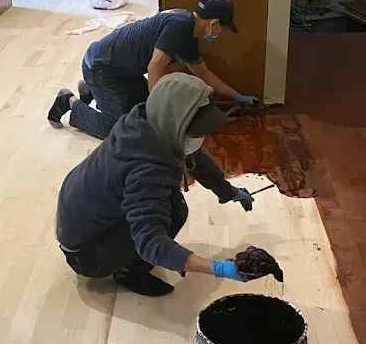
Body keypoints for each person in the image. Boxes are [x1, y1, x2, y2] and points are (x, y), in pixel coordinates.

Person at [55, 72, 264, 297]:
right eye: (195, 132)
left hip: (80, 223)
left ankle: (124, 257)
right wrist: (217, 268)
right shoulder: (146, 170)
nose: (202, 138)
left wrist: (229, 191)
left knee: (167, 203)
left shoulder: (143, 124)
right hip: (87, 256)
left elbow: (195, 159)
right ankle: (129, 273)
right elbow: (150, 240)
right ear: (176, 124)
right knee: (175, 210)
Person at [47, 0, 260, 140]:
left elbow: (204, 74)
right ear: (214, 24)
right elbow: (155, 68)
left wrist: (237, 96)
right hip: (101, 67)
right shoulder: (180, 27)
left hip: (121, 71)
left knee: (140, 115)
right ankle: (69, 101)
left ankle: (90, 89)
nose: (219, 33)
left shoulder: (188, 32)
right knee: (115, 129)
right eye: (222, 28)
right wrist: (158, 110)